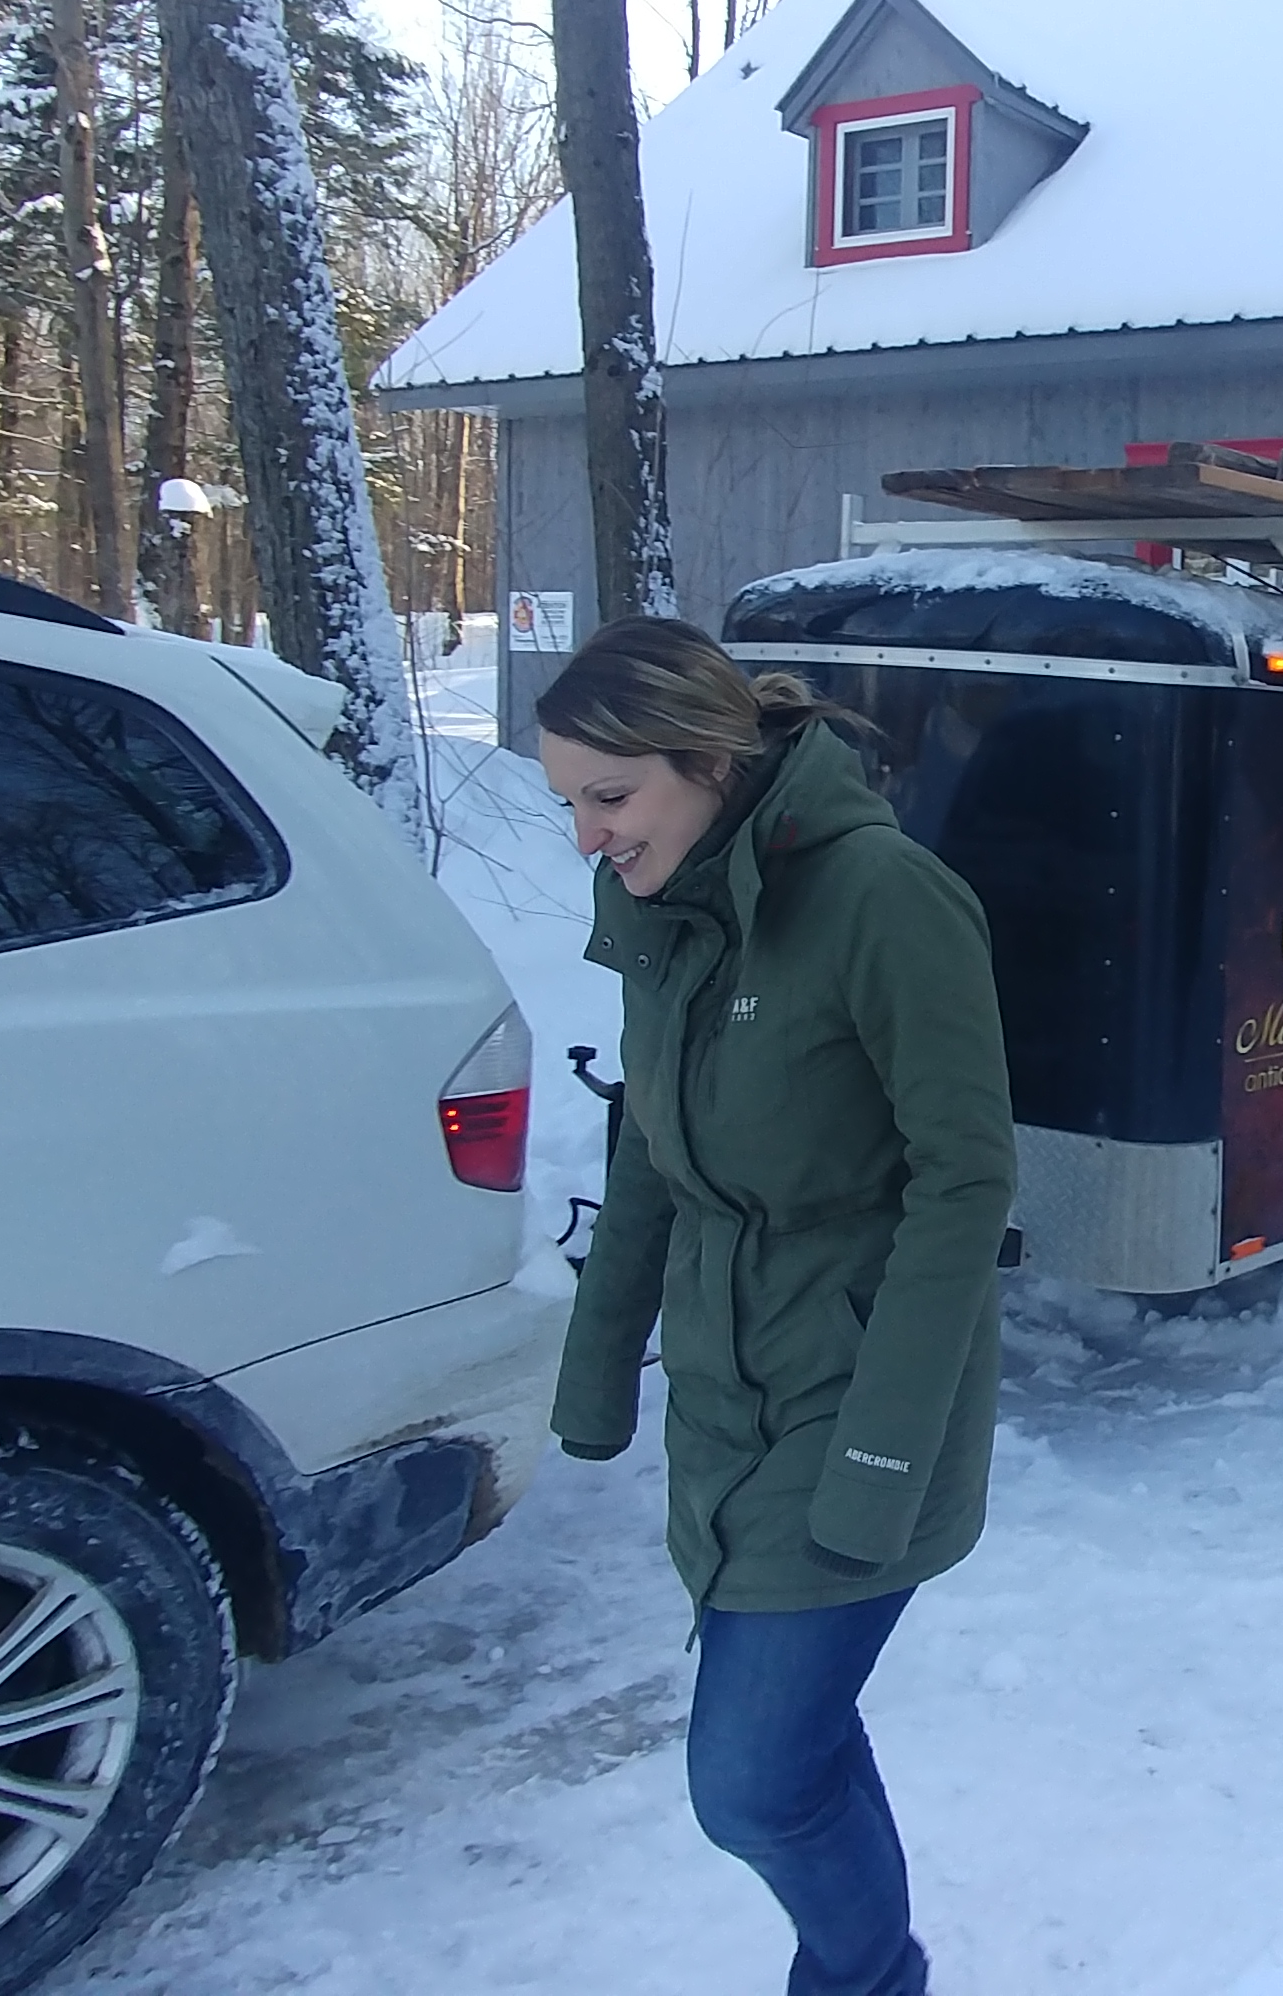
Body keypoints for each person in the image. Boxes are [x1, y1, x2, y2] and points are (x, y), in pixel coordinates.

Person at [537, 617, 1011, 1996]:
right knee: (790, 1746)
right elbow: (649, 1151)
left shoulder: (882, 899)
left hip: (858, 1389)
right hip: (727, 1394)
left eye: (607, 796)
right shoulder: (668, 903)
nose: (585, 836)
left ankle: (868, 1981)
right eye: (568, 800)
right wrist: (598, 1369)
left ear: (702, 758)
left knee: (746, 1783)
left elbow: (965, 1180)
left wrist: (882, 1454)